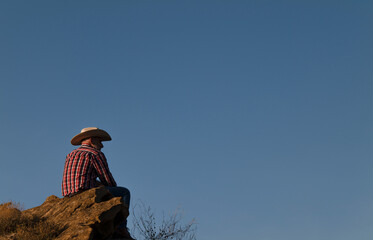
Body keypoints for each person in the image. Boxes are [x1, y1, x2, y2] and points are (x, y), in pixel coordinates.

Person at [62, 127, 134, 239]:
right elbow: (107, 179)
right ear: (91, 140)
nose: (102, 145)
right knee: (124, 192)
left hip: (69, 194)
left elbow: (81, 176)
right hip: (86, 192)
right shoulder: (94, 153)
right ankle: (121, 227)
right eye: (100, 141)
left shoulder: (71, 154)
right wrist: (108, 187)